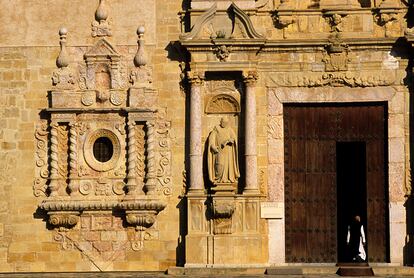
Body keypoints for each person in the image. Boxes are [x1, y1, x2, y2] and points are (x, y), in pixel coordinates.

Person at [207, 117, 240, 184]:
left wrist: (230, 140)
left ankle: (226, 179)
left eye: (226, 123)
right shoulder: (216, 129)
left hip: (228, 153)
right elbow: (211, 141)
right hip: (219, 152)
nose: (225, 124)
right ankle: (218, 179)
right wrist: (213, 147)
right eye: (224, 122)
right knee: (219, 165)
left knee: (227, 166)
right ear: (221, 122)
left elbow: (234, 139)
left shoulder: (229, 129)